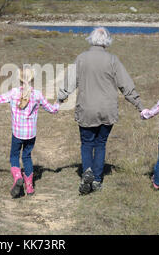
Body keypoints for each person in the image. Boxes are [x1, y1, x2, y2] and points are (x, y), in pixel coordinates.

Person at [58, 27, 144, 195]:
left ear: (91, 39)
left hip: (86, 109)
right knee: (101, 144)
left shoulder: (81, 58)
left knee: (87, 143)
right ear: (107, 41)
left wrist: (61, 97)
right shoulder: (113, 60)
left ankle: (87, 171)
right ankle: (97, 179)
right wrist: (138, 105)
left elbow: (70, 81)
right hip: (107, 110)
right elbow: (126, 85)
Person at [0, 67, 59, 198]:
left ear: (19, 78)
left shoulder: (13, 93)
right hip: (31, 134)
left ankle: (18, 177)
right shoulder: (37, 94)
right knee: (27, 156)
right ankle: (29, 187)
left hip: (17, 133)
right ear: (32, 78)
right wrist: (58, 103)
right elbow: (52, 109)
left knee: (14, 156)